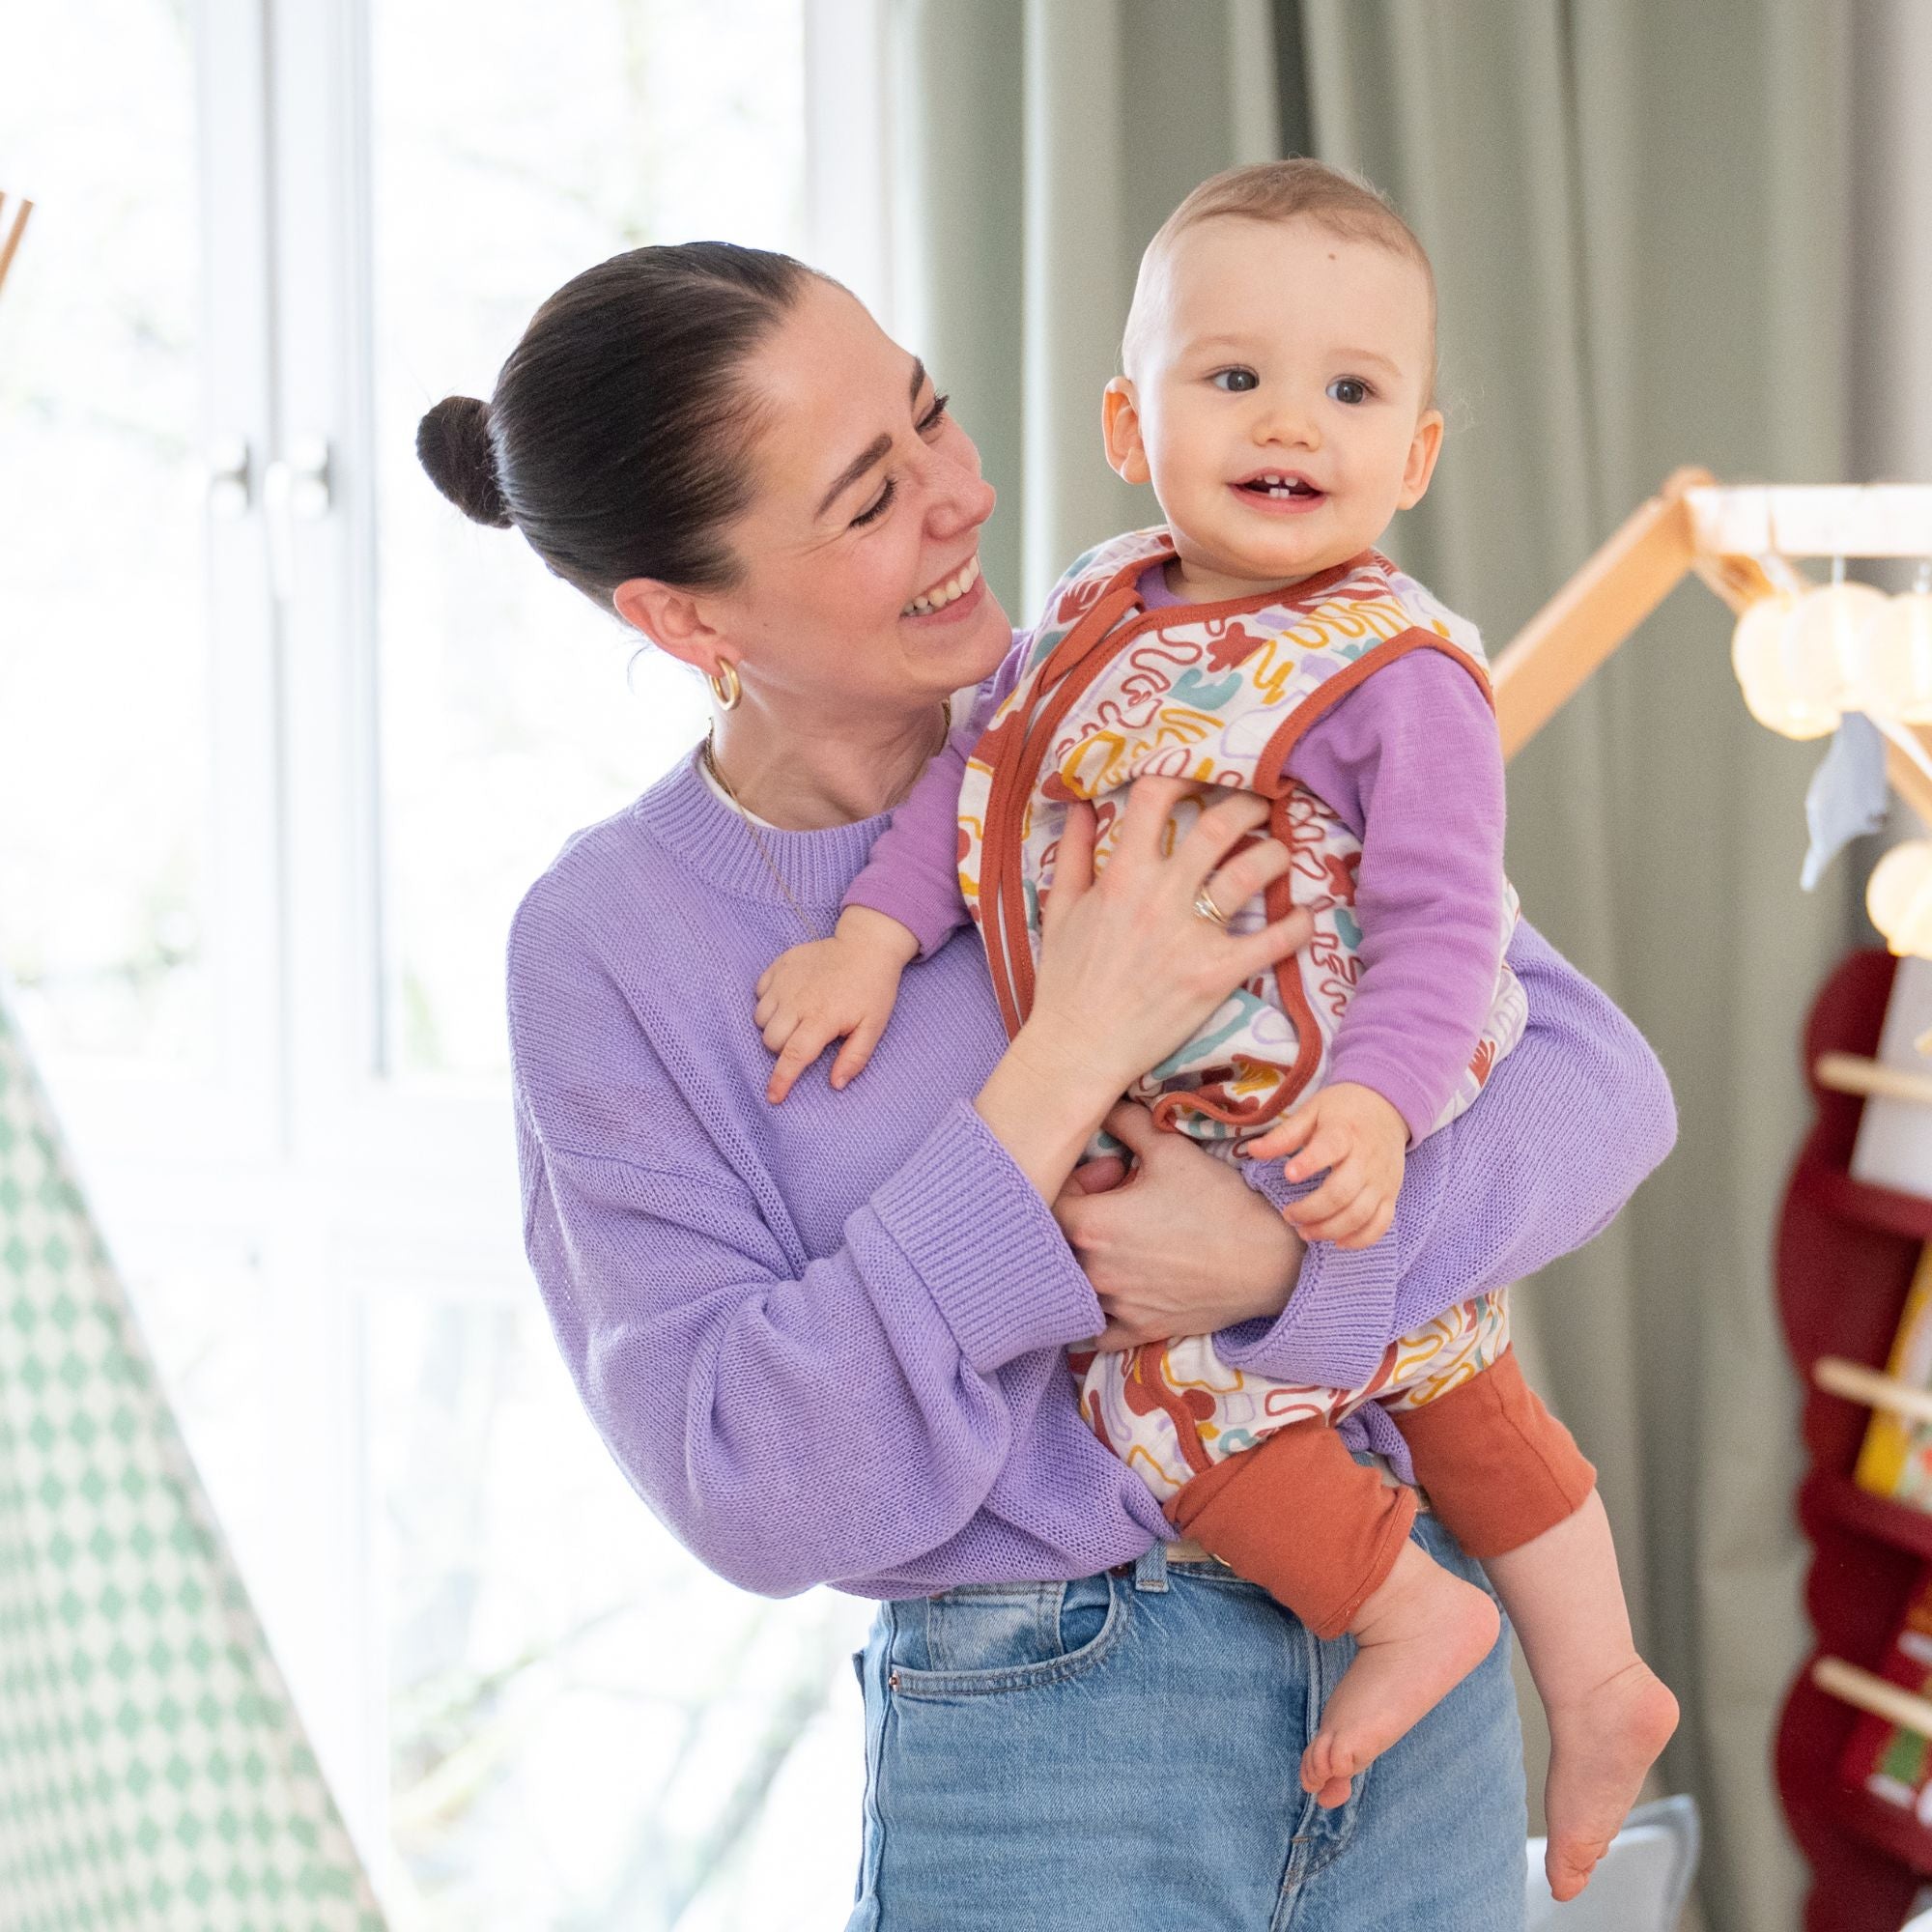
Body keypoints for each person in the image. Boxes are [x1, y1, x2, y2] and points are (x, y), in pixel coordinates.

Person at [418, 237, 1678, 1930]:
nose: (961, 496)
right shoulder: (610, 947)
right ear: (683, 614)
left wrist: (1287, 1259)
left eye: (931, 419)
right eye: (867, 500)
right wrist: (1071, 1043)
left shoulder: (1149, 716)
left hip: (1412, 1663)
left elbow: (1596, 1089)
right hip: (1047, 1735)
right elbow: (751, 1477)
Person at [748, 160, 1674, 1900]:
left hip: (1324, 1084)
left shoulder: (1396, 672)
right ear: (1128, 419)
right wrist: (878, 936)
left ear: (1415, 456)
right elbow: (976, 779)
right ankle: (1601, 1676)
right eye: (1231, 376)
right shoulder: (1094, 607)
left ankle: (1418, 1616)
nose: (1289, 423)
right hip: (1201, 1095)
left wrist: (1390, 1111)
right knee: (1447, 1360)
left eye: (1351, 390)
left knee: (1177, 1399)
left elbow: (1447, 915)